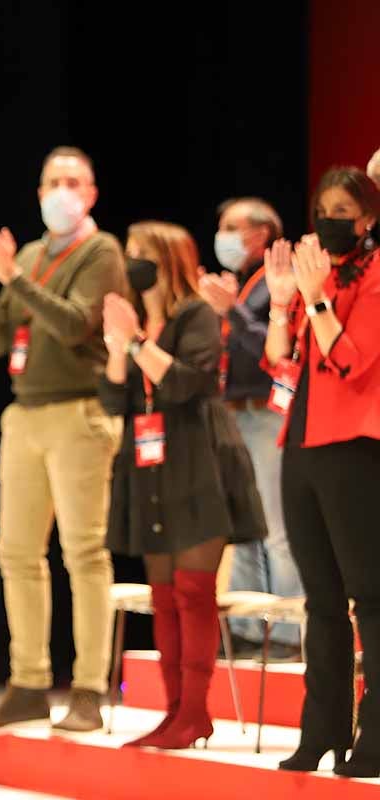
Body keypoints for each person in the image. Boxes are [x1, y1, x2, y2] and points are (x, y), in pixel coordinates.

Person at [0, 147, 125, 732]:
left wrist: (14, 278)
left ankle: (91, 688)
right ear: (39, 189)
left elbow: (75, 324)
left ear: (92, 194)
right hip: (25, 415)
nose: (62, 191)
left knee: (83, 552)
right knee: (16, 552)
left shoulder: (101, 251)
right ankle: (28, 681)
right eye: (53, 181)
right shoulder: (26, 253)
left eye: (74, 182)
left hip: (80, 412)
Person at [100, 221, 266, 750]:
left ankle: (196, 711)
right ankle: (174, 712)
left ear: (167, 258)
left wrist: (136, 341)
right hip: (152, 464)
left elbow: (186, 383)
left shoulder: (194, 312)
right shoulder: (136, 317)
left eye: (141, 253)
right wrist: (116, 347)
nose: (132, 262)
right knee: (164, 596)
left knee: (194, 592)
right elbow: (112, 400)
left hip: (199, 457)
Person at [263, 167, 380, 777]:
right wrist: (285, 302)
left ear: (367, 219)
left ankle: (376, 735)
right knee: (322, 601)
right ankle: (321, 731)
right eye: (322, 207)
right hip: (301, 443)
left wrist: (314, 298)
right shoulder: (319, 275)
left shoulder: (375, 273)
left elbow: (354, 362)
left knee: (371, 595)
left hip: (354, 447)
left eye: (344, 208)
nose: (330, 218)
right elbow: (282, 361)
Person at [199, 198, 303, 660]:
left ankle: (285, 634)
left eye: (232, 227)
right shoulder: (240, 286)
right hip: (232, 412)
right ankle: (243, 630)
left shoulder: (277, 282)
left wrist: (233, 312)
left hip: (267, 412)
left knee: (278, 530)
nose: (223, 236)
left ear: (261, 234)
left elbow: (279, 351)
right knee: (243, 528)